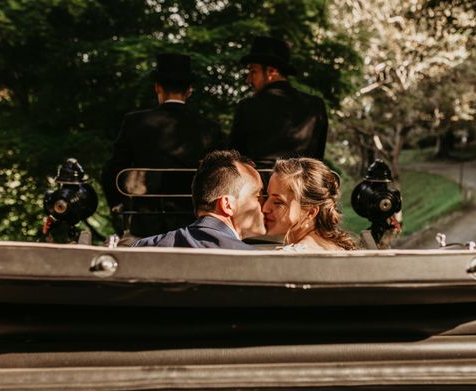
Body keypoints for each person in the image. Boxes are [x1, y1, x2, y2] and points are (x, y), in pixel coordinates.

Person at [102, 53, 226, 240]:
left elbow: (112, 172)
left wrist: (119, 206)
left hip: (145, 226)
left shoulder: (134, 122)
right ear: (189, 90)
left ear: (157, 87)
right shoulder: (209, 129)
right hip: (193, 226)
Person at [133, 150, 266, 249]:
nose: (264, 205)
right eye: (257, 197)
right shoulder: (254, 261)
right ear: (227, 205)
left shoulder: (143, 247)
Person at [229, 36, 328, 167]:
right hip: (301, 186)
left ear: (271, 71)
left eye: (253, 71)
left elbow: (235, 161)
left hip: (258, 186)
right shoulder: (316, 106)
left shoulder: (247, 106)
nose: (248, 80)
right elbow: (317, 161)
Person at [262, 158, 356, 251]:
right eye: (266, 197)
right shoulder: (337, 247)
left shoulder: (286, 257)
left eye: (278, 202)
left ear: (310, 213)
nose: (265, 208)